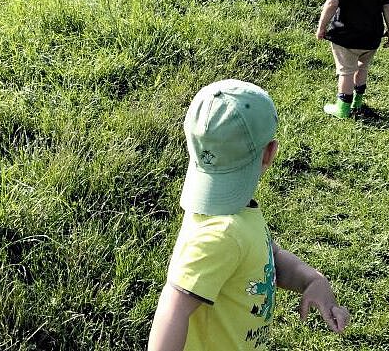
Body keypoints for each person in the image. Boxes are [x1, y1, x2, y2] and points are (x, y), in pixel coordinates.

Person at [148, 79, 350, 351]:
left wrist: (312, 280)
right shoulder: (222, 233)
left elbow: (270, 257)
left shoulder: (237, 212)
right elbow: (173, 309)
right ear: (269, 153)